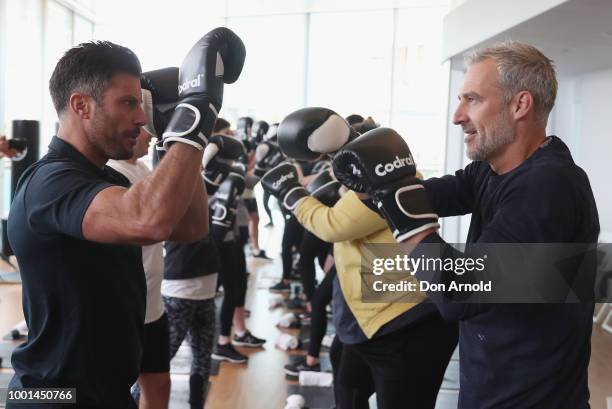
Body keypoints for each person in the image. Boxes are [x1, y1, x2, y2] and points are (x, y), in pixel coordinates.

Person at [332, 42, 599, 409]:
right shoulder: (491, 172)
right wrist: (366, 174)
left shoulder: (548, 185)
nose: (457, 116)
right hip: (491, 391)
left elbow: (459, 290)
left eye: (472, 99)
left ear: (520, 105)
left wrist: (402, 214)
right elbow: (422, 196)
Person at [7, 28, 244, 409]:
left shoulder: (109, 178)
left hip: (107, 390)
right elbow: (149, 220)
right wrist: (196, 117)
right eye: (128, 103)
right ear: (82, 105)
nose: (140, 118)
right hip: (54, 396)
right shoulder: (50, 182)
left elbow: (190, 226)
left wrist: (172, 139)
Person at [262, 107, 459, 409]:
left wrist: (292, 192)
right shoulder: (357, 183)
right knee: (348, 397)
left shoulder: (389, 184)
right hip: (365, 320)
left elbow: (331, 225)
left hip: (406, 321)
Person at [107, 121, 169, 409]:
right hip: (126, 310)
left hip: (153, 304)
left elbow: (188, 225)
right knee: (116, 391)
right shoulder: (113, 174)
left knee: (158, 385)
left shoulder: (143, 169)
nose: (149, 134)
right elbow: (153, 225)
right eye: (143, 127)